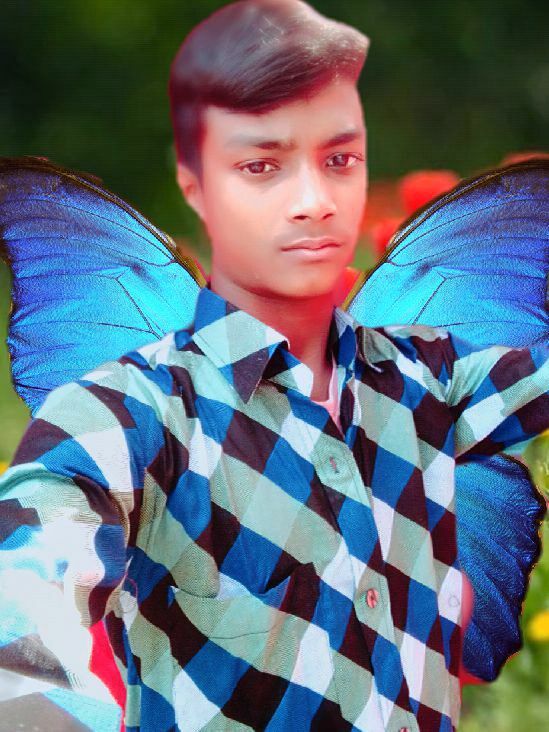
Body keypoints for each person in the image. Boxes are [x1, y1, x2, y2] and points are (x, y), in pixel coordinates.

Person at [0, 1, 547, 730]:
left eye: (337, 161)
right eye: (262, 165)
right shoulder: (128, 410)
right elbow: (25, 593)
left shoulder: (426, 377)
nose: (311, 201)